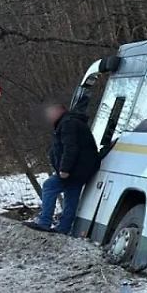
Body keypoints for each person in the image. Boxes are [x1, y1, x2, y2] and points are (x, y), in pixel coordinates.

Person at [25, 98, 100, 235]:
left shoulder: (68, 124)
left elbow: (70, 147)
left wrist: (65, 169)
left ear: (59, 110)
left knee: (49, 186)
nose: (49, 116)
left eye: (50, 113)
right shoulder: (71, 122)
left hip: (75, 169)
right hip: (83, 168)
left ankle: (44, 222)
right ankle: (63, 228)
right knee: (71, 195)